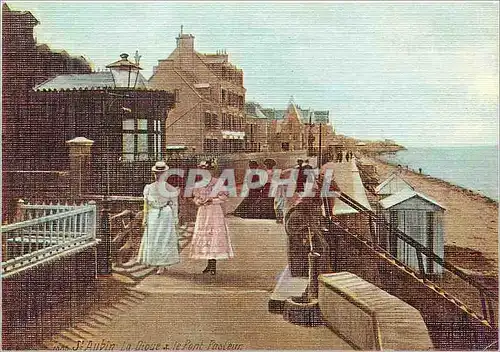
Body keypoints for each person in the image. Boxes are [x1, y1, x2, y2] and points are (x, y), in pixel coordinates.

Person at [190, 160, 234, 275]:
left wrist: (212, 200)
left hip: (214, 212)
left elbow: (224, 198)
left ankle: (213, 264)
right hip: (203, 212)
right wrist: (198, 202)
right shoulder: (198, 184)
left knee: (214, 235)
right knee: (206, 236)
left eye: (208, 171)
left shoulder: (217, 183)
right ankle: (209, 264)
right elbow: (195, 198)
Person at [138, 161, 180, 275]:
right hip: (153, 213)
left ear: (165, 174)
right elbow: (146, 204)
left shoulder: (171, 189)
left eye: (161, 173)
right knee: (153, 238)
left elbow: (175, 205)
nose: (158, 176)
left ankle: (162, 264)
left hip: (166, 214)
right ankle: (154, 261)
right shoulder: (149, 188)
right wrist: (145, 217)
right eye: (156, 173)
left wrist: (175, 218)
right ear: (154, 174)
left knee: (164, 239)